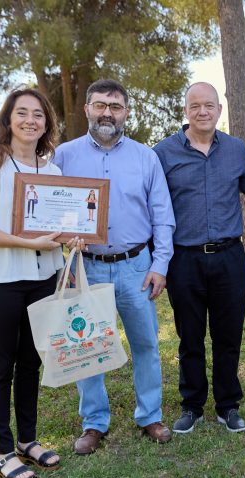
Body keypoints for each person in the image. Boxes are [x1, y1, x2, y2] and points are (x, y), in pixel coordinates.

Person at [54, 79, 176, 454]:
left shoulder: (145, 157)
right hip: (87, 265)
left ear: (126, 112)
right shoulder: (64, 156)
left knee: (146, 344)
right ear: (87, 109)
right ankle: (94, 422)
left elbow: (163, 216)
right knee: (87, 345)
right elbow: (49, 209)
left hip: (136, 266)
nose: (108, 113)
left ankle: (150, 415)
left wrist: (160, 264)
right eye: (100, 105)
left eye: (116, 106)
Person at [0, 87, 65, 478]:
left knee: (31, 362)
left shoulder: (53, 173)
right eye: (22, 113)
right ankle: (3, 452)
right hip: (0, 281)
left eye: (38, 114)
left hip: (43, 279)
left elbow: (61, 226)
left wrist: (74, 237)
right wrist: (26, 242)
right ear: (8, 120)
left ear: (46, 123)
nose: (30, 120)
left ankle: (27, 441)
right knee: (1, 367)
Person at [153, 82, 245, 434]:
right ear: (186, 110)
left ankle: (228, 405)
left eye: (209, 105)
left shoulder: (235, 149)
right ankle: (192, 405)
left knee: (228, 336)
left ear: (219, 109)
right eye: (195, 105)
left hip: (229, 257)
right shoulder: (163, 153)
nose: (203, 111)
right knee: (190, 337)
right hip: (183, 259)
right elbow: (149, 202)